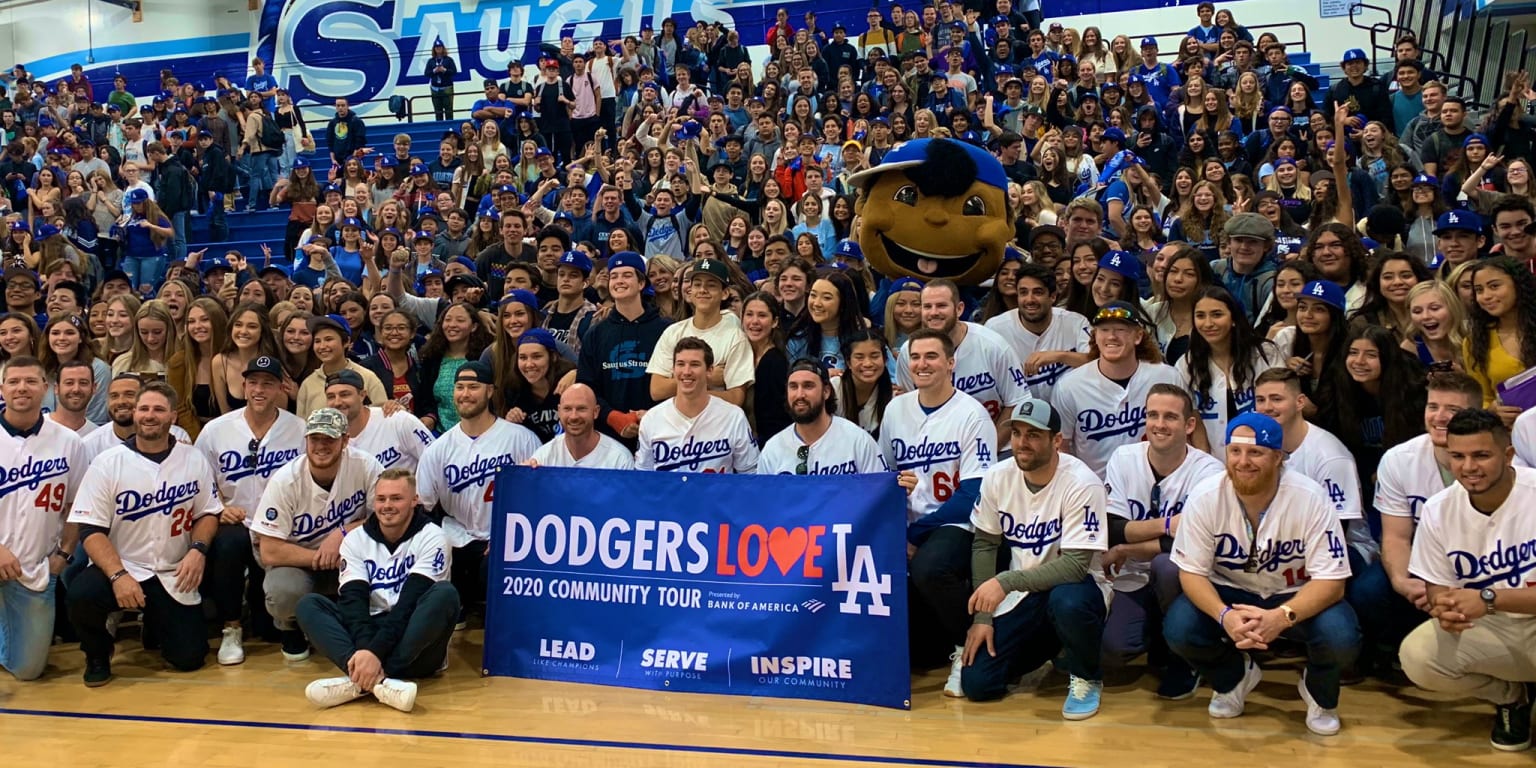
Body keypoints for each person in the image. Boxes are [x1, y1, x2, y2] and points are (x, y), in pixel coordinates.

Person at [1164, 412, 1359, 736]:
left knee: (1341, 637)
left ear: (1278, 457)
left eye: (1255, 452)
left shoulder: (1310, 497)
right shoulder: (1205, 495)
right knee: (1179, 628)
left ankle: (1318, 690)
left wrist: (1281, 618)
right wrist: (1224, 616)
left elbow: (1332, 582)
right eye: (1235, 451)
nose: (1243, 461)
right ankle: (1234, 678)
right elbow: (1192, 574)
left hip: (1294, 593)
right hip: (1231, 590)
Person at [66, 380, 224, 686]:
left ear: (173, 417)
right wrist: (117, 575)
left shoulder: (193, 458)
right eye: (143, 408)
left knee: (189, 659)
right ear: (135, 413)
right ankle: (97, 654)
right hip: (124, 566)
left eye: (158, 409)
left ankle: (155, 623)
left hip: (172, 569)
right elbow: (90, 529)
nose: (149, 415)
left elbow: (208, 512)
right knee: (81, 593)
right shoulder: (107, 463)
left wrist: (198, 549)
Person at [962, 398, 1109, 719]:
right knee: (977, 684)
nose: (1021, 443)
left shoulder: (1082, 483)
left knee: (1067, 601)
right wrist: (983, 619)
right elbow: (985, 543)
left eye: (1033, 435)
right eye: (1016, 433)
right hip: (1025, 596)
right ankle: (1054, 645)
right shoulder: (998, 476)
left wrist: (1005, 581)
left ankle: (1086, 676)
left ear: (1057, 440)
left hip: (1078, 589)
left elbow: (1075, 566)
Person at [1402, 407, 1536, 751]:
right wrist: (1443, 607)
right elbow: (1437, 587)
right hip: (1491, 625)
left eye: (1481, 455)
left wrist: (1490, 598)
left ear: (1508, 455)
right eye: (1457, 456)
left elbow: (1487, 598)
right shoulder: (1438, 508)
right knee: (1418, 656)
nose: (1469, 467)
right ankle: (1512, 698)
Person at [880, 328, 997, 697]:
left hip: (958, 522)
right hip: (909, 522)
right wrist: (898, 530)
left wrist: (913, 536)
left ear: (950, 363)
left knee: (931, 566)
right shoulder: (895, 409)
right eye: (915, 357)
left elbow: (974, 492)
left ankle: (968, 645)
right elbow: (886, 476)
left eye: (931, 357)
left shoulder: (972, 414)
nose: (922, 364)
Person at [296, 468, 458, 713]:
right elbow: (353, 603)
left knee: (445, 595)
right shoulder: (355, 539)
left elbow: (408, 605)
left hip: (416, 647)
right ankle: (380, 684)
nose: (387, 505)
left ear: (415, 500)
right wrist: (366, 650)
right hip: (369, 632)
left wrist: (373, 654)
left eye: (396, 498)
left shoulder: (433, 537)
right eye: (381, 499)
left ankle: (359, 681)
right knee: (309, 605)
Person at [1101, 384, 1225, 699]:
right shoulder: (1124, 457)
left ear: (1190, 425)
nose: (1159, 424)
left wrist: (1129, 546)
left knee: (1167, 565)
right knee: (1114, 649)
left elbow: (1195, 544)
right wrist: (1169, 524)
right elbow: (1113, 528)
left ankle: (1186, 656)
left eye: (1170, 417)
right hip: (1131, 576)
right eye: (1152, 415)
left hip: (1188, 576)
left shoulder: (1209, 471)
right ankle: (1158, 638)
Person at [1363, 372, 1481, 675]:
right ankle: (1392, 651)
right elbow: (1396, 538)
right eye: (1433, 407)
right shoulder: (1398, 459)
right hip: (1423, 562)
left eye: (1452, 410)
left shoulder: (1501, 462)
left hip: (1484, 566)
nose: (1440, 417)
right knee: (1370, 590)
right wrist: (1404, 582)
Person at [194, 354, 306, 665]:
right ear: (243, 386)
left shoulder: (298, 428)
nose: (259, 390)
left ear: (280, 388)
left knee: (268, 630)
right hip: (236, 521)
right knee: (230, 543)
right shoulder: (216, 430)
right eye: (253, 383)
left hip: (281, 526)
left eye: (268, 384)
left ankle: (273, 618)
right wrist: (218, 508)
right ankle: (231, 628)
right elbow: (199, 479)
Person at [249, 406, 384, 662]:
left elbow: (386, 516)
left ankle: (351, 619)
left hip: (351, 555)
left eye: (329, 438)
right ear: (306, 440)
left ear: (345, 440)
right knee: (283, 592)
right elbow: (269, 550)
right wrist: (319, 557)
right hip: (298, 559)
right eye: (315, 438)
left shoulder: (365, 466)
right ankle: (290, 627)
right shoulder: (285, 480)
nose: (321, 445)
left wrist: (342, 533)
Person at [415, 361, 540, 623]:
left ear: (490, 392)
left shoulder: (520, 438)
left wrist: (510, 535)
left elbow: (538, 498)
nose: (465, 393)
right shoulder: (439, 448)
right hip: (458, 537)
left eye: (474, 387)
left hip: (506, 536)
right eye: (460, 387)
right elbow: (423, 506)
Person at [0, 356, 87, 681]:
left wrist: (63, 555)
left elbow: (79, 505)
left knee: (28, 670)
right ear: (2, 389)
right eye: (14, 381)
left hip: (35, 568)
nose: (22, 388)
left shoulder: (69, 442)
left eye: (30, 381)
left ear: (46, 390)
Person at [1052, 301, 1183, 477]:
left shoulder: (1167, 376)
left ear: (1137, 336)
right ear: (1095, 336)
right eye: (1104, 330)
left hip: (1160, 481)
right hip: (1096, 487)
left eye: (1120, 329)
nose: (1111, 336)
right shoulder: (1069, 386)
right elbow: (1062, 446)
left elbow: (1186, 432)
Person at [895, 280, 1029, 446]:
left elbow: (1017, 402)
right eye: (927, 306)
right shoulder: (909, 352)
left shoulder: (992, 345)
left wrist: (985, 449)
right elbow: (911, 409)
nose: (933, 312)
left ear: (959, 309)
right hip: (937, 450)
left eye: (941, 306)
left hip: (997, 446)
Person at [1252, 367, 1368, 557]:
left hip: (1344, 546)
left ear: (1300, 402)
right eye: (1260, 400)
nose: (1267, 407)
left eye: (1276, 399)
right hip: (1282, 542)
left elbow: (1338, 526)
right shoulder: (1261, 446)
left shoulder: (1330, 456)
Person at [575, 251, 667, 445]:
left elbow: (675, 382)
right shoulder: (596, 333)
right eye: (614, 276)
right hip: (607, 438)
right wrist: (612, 416)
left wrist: (653, 416)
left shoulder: (666, 330)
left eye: (627, 275)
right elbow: (586, 386)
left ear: (641, 283)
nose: (619, 281)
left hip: (659, 433)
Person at [636, 337, 759, 473]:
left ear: (709, 370)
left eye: (695, 364)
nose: (686, 371)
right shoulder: (652, 419)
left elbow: (750, 474)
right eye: (681, 364)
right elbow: (643, 479)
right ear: (673, 369)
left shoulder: (733, 417)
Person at [646, 258, 754, 406]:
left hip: (717, 422)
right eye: (697, 285)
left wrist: (681, 382)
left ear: (725, 293)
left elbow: (736, 398)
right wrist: (706, 376)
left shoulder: (736, 337)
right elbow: (657, 390)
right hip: (677, 422)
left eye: (711, 285)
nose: (703, 290)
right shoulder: (673, 332)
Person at [983, 262, 1091, 405]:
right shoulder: (995, 328)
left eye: (1038, 292)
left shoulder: (1075, 322)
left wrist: (1060, 356)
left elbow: (1097, 362)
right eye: (1023, 292)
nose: (1029, 300)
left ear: (1052, 296)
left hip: (1070, 409)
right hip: (1018, 413)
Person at [758, 359, 885, 475]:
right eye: (793, 387)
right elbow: (765, 498)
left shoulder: (858, 441)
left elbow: (881, 492)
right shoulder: (772, 450)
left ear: (826, 392)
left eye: (808, 386)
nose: (799, 394)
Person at [324, 369, 434, 471]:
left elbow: (436, 461)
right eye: (331, 397)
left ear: (362, 395)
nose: (337, 402)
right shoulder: (327, 438)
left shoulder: (397, 420)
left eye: (345, 394)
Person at [527, 383, 635, 469]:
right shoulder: (544, 455)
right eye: (567, 409)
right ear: (559, 411)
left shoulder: (619, 458)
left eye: (581, 409)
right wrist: (527, 474)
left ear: (596, 412)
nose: (574, 416)